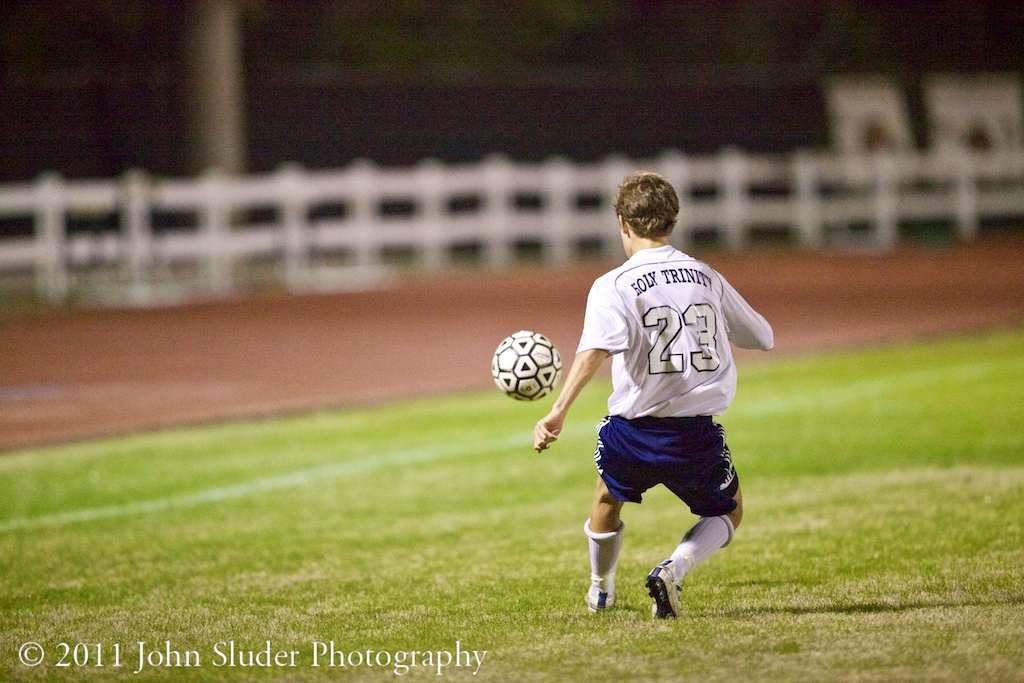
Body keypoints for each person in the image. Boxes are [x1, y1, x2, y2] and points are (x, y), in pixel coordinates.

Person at [533, 171, 774, 618]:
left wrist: (558, 410)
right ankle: (674, 568)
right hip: (694, 435)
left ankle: (600, 590)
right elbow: (763, 336)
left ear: (623, 223)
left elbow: (594, 349)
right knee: (730, 511)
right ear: (672, 220)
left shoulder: (613, 284)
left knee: (607, 499)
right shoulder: (705, 275)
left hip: (633, 432)